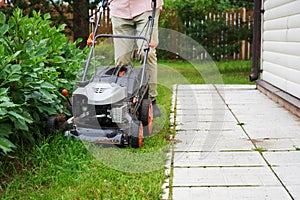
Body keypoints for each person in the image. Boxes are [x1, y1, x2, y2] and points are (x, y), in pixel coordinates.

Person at [109, 0, 163, 117]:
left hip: (146, 6)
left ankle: (151, 100)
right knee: (122, 60)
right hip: (119, 8)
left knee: (147, 53)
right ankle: (124, 100)